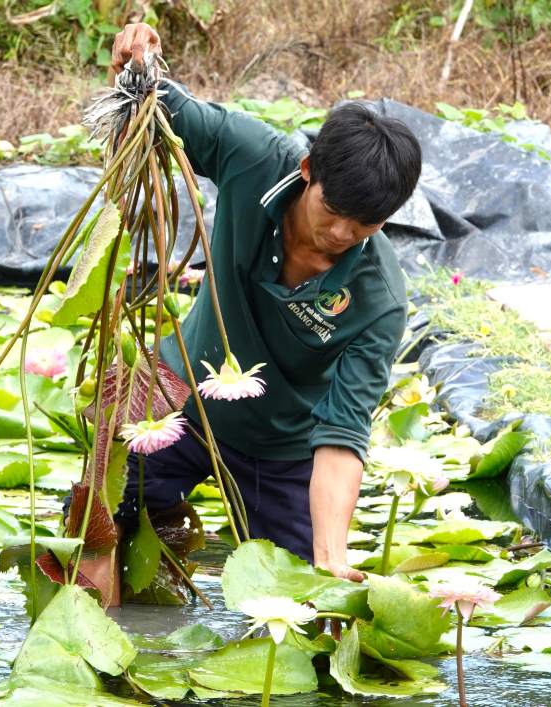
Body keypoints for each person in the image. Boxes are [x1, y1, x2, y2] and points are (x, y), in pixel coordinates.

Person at [108, 23, 421, 588]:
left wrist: (332, 555)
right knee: (99, 519)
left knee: (298, 598)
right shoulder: (253, 157)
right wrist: (138, 58)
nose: (342, 233)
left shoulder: (378, 299)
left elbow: (344, 432)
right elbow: (161, 102)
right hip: (180, 393)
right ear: (307, 173)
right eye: (334, 209)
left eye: (367, 223)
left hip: (281, 446)